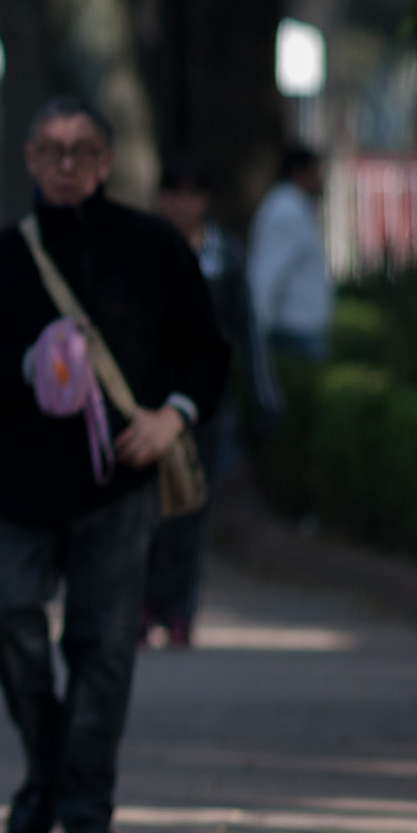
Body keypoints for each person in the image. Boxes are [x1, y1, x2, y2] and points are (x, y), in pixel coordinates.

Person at [0, 99, 230, 833]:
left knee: (102, 645)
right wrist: (24, 366)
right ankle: (49, 759)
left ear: (104, 162)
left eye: (82, 150)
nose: (66, 163)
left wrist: (172, 414)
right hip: (17, 483)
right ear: (31, 160)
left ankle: (85, 802)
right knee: (2, 611)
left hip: (119, 486)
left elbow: (208, 352)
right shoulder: (3, 256)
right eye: (51, 150)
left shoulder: (154, 247)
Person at [140, 161, 250, 648]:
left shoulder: (224, 256)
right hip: (150, 402)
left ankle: (180, 611)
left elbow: (244, 328)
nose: (184, 205)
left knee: (192, 506)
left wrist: (263, 397)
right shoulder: (140, 248)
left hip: (204, 402)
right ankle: (145, 603)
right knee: (149, 506)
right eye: (175, 194)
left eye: (193, 194)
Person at [246, 144, 332, 413]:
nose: (321, 179)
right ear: (298, 173)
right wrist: (256, 340)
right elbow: (266, 277)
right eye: (316, 172)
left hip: (298, 333)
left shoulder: (293, 207)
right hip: (293, 335)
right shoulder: (286, 211)